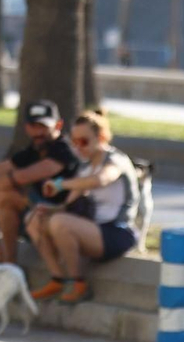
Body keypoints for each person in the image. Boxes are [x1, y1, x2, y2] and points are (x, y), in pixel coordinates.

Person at [29, 112, 141, 304]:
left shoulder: (116, 160)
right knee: (34, 220)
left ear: (101, 138)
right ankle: (57, 278)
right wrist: (50, 209)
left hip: (117, 232)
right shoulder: (85, 167)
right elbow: (69, 203)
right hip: (92, 228)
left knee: (60, 223)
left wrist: (60, 184)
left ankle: (79, 284)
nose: (79, 147)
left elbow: (100, 180)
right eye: (74, 142)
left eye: (84, 141)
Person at [0, 100, 78, 263]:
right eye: (34, 126)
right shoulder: (34, 149)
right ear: (27, 127)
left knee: (6, 196)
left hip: (60, 213)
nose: (38, 132)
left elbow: (19, 177)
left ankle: (9, 262)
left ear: (58, 125)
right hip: (35, 210)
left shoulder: (63, 150)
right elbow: (1, 169)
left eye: (43, 126)